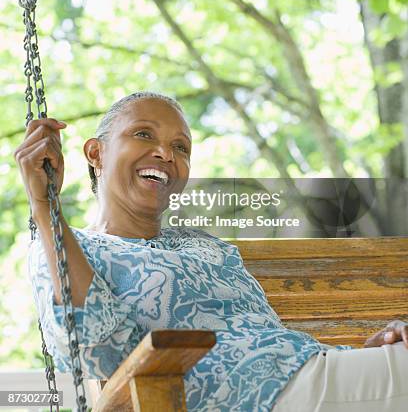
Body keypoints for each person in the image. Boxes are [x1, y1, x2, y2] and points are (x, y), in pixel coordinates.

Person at [14, 91, 408, 412]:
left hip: (306, 379)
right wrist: (45, 206)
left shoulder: (208, 247)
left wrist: (362, 352)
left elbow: (270, 337)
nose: (166, 155)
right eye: (144, 135)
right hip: (251, 397)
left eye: (180, 147)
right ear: (95, 153)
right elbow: (99, 350)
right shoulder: (67, 246)